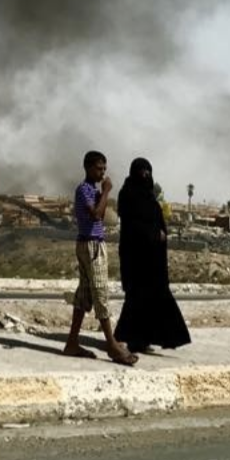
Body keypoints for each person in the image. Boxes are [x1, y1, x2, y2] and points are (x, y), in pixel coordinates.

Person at [63, 150, 138, 365]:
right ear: (87, 168)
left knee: (84, 295)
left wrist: (102, 194)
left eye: (104, 169)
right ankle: (112, 345)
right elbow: (96, 215)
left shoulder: (93, 191)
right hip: (91, 245)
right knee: (100, 291)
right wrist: (106, 191)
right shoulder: (85, 190)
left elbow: (102, 214)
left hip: (93, 243)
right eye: (99, 168)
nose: (102, 172)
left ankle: (71, 343)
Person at [114, 157, 191, 353]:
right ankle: (127, 338)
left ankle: (142, 339)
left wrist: (159, 234)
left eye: (148, 170)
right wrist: (152, 233)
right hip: (136, 256)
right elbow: (132, 224)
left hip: (153, 259)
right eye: (142, 171)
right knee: (136, 297)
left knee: (154, 297)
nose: (146, 174)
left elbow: (155, 219)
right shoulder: (128, 194)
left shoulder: (149, 196)